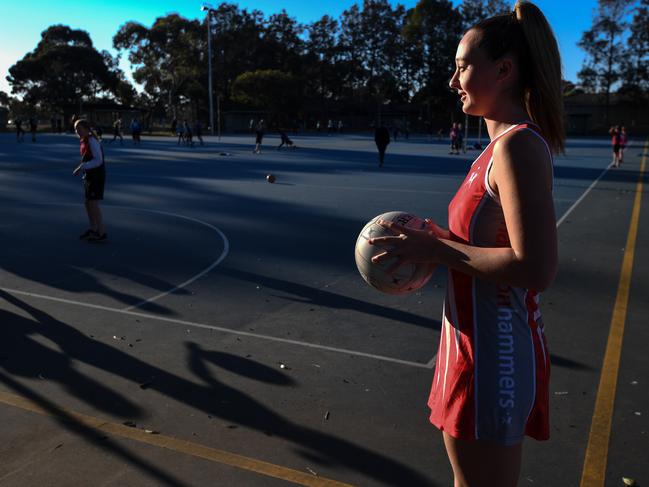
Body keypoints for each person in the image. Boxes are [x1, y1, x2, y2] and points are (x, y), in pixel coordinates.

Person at [369, 2, 561, 486]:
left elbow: (535, 267)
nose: (453, 82)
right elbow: (486, 240)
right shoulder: (494, 149)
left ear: (503, 70)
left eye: (461, 68)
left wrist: (435, 251)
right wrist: (435, 238)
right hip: (467, 346)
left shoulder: (519, 146)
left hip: (496, 355)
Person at [73, 119, 107, 242]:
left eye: (79, 129)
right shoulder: (85, 141)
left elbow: (98, 160)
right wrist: (83, 168)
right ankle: (93, 229)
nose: (77, 131)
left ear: (87, 129)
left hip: (96, 175)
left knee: (92, 203)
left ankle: (101, 232)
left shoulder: (92, 140)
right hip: (90, 175)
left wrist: (82, 167)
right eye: (76, 129)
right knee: (88, 203)